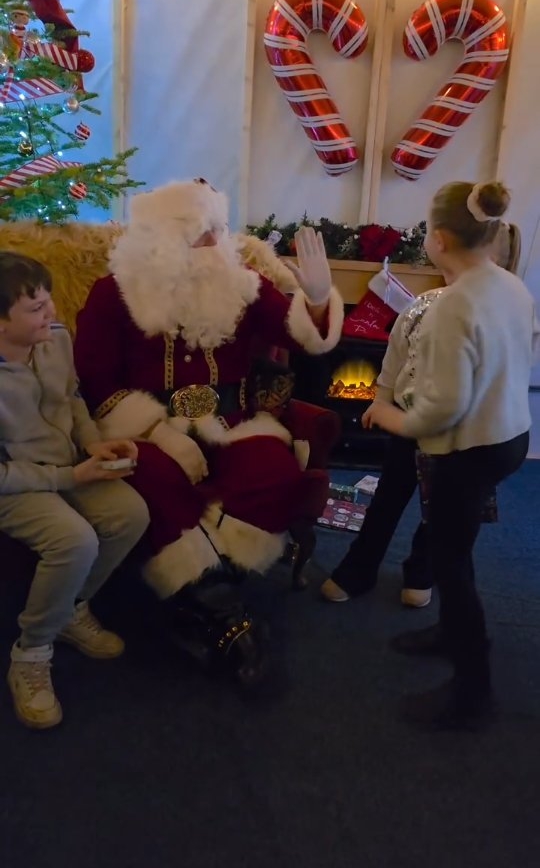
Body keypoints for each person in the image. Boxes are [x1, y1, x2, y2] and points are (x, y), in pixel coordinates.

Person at [73, 178, 343, 688]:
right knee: (148, 474)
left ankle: (202, 593)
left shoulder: (242, 284)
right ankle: (228, 618)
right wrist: (158, 431)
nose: (216, 244)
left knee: (276, 472)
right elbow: (96, 383)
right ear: (163, 240)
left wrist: (317, 300)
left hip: (234, 424)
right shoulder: (114, 293)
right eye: (203, 234)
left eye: (220, 230)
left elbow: (298, 336)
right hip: (151, 429)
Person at [363, 181, 538, 730]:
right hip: (512, 438)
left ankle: (472, 693)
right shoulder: (511, 285)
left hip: (470, 451)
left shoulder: (448, 309)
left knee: (451, 565)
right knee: (455, 549)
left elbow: (435, 413)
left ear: (438, 239)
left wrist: (382, 413)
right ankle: (449, 635)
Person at [319, 220, 521, 609]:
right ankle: (359, 568)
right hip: (410, 425)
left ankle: (422, 570)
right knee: (387, 499)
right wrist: (380, 400)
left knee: (443, 512)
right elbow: (396, 359)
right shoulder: (422, 305)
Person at [0, 252, 150, 730]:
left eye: (49, 303)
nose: (54, 315)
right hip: (17, 483)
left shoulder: (55, 341)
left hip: (69, 463)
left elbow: (74, 400)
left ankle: (66, 610)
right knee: (75, 539)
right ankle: (30, 653)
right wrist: (71, 478)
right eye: (37, 308)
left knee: (131, 514)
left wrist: (94, 444)